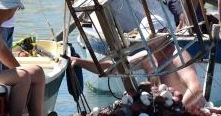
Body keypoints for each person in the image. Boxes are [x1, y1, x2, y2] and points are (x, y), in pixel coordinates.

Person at [72, 26, 207, 108]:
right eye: (146, 38)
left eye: (153, 37)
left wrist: (179, 110)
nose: (149, 42)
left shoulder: (178, 55)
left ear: (165, 33)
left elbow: (196, 88)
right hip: (162, 114)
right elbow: (112, 68)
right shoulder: (146, 57)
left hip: (188, 112)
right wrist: (79, 61)